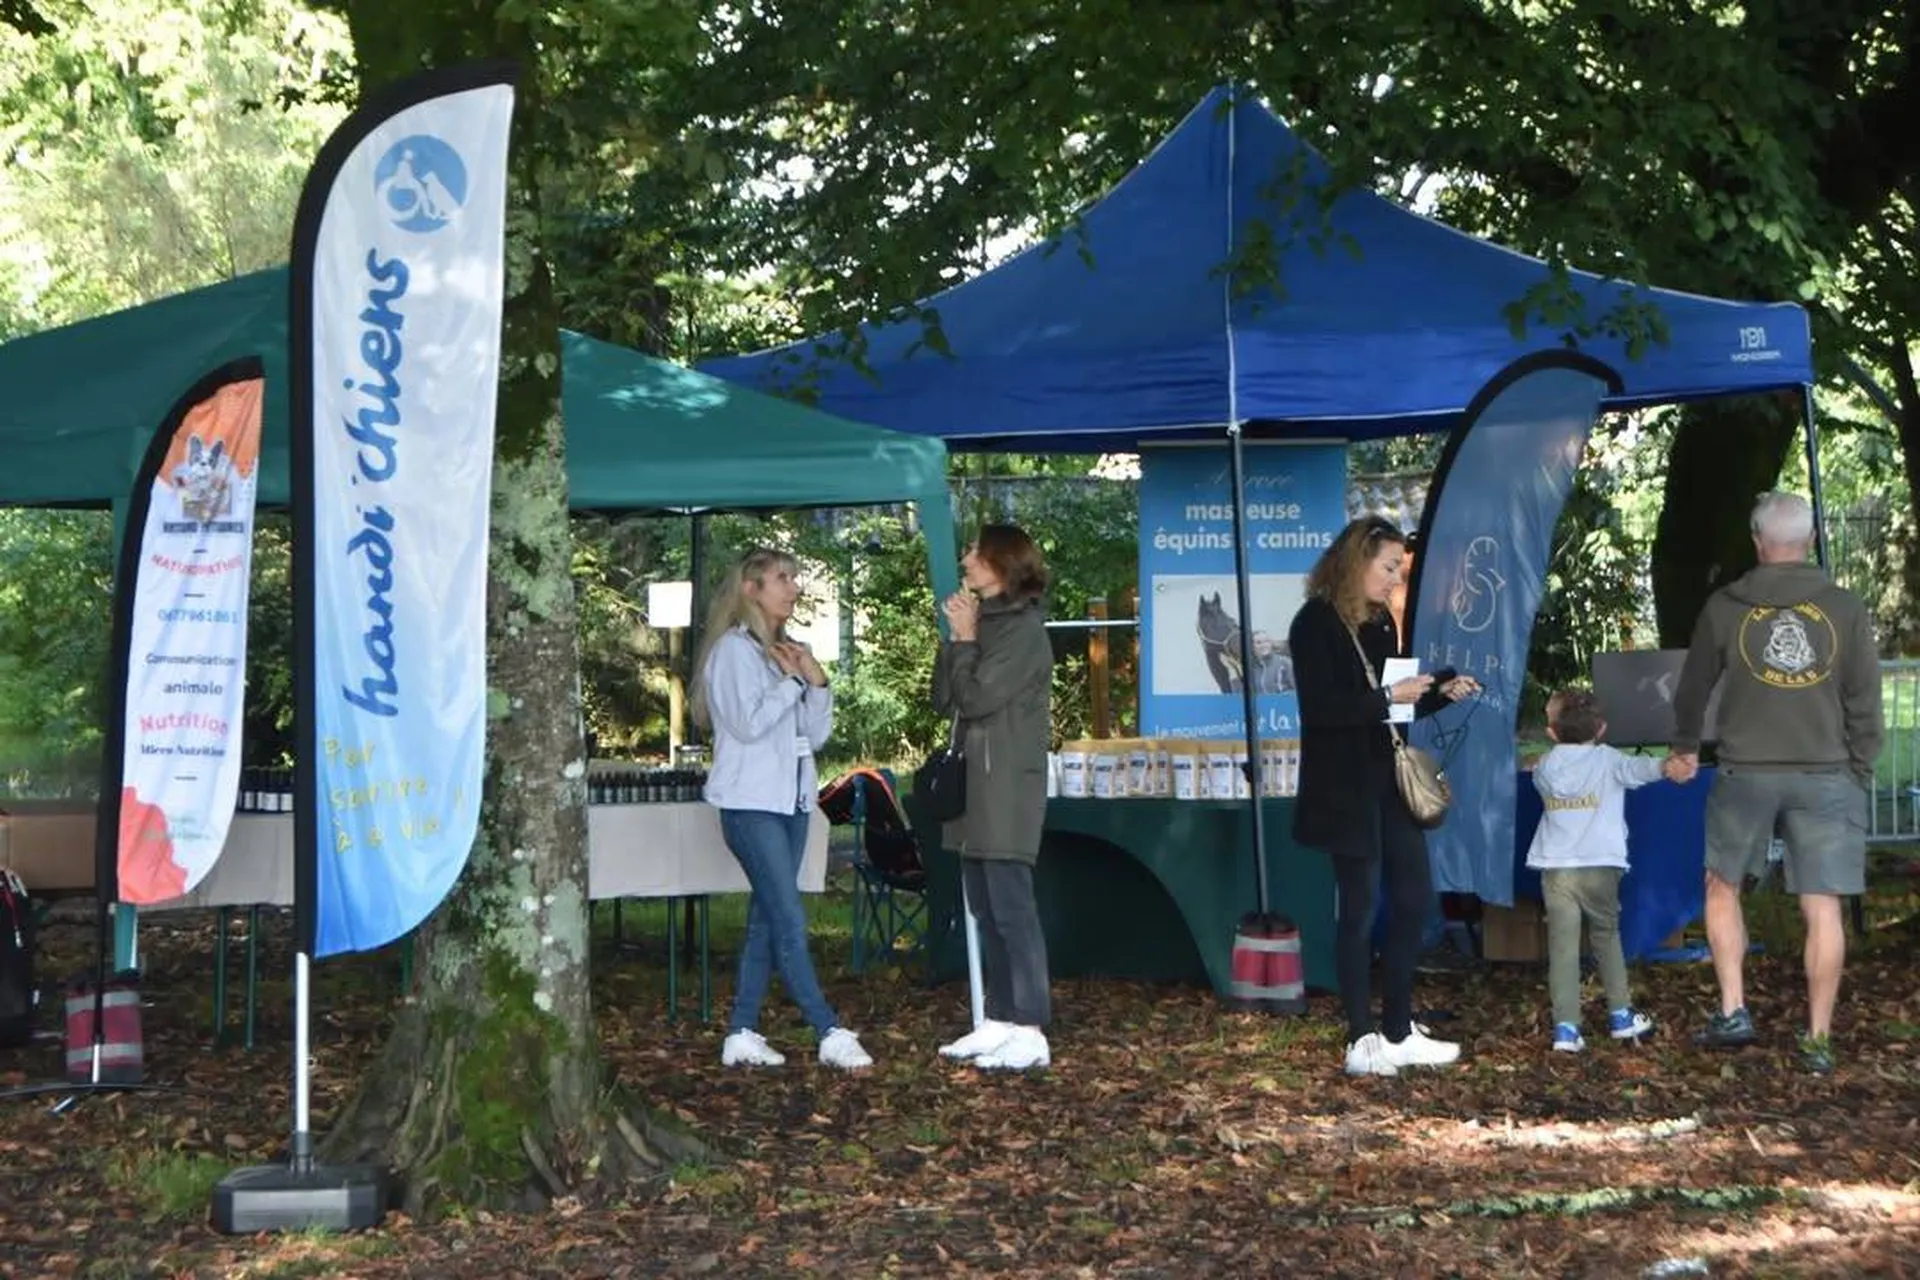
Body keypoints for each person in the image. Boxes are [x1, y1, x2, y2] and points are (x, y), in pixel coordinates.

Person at [1670, 491, 1883, 1075]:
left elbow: (1691, 688)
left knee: (1722, 885)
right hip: (1827, 774)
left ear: (1759, 542)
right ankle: (1817, 1038)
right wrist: (1859, 767)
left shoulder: (1725, 606)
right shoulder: (1843, 608)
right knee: (1824, 907)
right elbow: (1865, 697)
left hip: (1746, 772)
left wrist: (1686, 747)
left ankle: (1734, 1009)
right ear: (1810, 541)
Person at [1289, 515, 1480, 1077]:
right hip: (1343, 788)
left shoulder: (1379, 624)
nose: (1396, 579)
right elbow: (1323, 712)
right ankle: (1360, 1036)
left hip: (1388, 782)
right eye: (1389, 567)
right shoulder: (1313, 624)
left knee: (1415, 899)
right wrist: (1385, 695)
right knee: (1359, 907)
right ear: (1356, 561)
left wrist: (1436, 694)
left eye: (1399, 568)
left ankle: (1398, 1028)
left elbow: (1390, 711)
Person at [694, 547, 872, 1071]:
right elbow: (747, 724)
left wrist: (816, 683)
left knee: (767, 919)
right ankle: (828, 1028)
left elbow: (812, 735)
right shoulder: (733, 652)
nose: (793, 587)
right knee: (789, 916)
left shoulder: (786, 649)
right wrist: (791, 682)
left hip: (791, 801)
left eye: (794, 577)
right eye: (781, 578)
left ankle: (742, 1031)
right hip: (749, 805)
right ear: (751, 589)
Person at [931, 524, 1056, 1072]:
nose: (965, 559)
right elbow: (946, 698)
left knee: (1011, 907)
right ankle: (1000, 1020)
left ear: (1001, 564)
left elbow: (978, 696)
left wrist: (962, 642)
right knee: (983, 904)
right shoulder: (984, 622)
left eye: (975, 553)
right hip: (974, 783)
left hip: (1004, 785)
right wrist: (958, 639)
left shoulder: (1025, 631)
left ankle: (1030, 1027)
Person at [1527, 688, 1685, 1053]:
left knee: (1562, 947)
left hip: (1556, 867)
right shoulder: (1609, 760)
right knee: (1607, 937)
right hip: (1601, 864)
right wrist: (1666, 766)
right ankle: (1620, 1015)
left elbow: (1536, 776)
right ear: (1601, 729)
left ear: (1551, 732)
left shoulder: (1547, 766)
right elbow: (1640, 769)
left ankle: (1566, 1029)